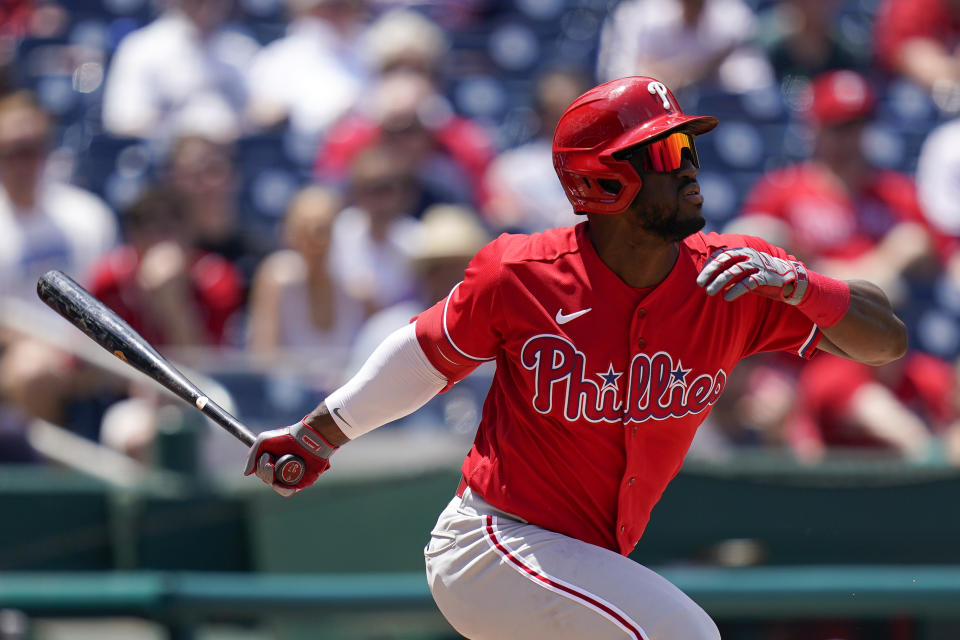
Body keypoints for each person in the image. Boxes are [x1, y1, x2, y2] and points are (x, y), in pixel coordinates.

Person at [243, 76, 907, 639]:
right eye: (668, 150)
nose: (691, 165)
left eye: (690, 145)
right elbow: (424, 357)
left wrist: (801, 284)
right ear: (606, 183)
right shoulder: (521, 274)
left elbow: (886, 340)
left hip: (582, 562)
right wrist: (318, 435)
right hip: (494, 543)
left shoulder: (734, 278)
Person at [100, 0, 260, 141]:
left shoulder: (242, 48)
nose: (207, 6)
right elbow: (122, 122)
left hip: (235, 160)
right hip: (165, 163)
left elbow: (261, 114)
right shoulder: (141, 49)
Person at [246, 184, 365, 368]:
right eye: (304, 229)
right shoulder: (275, 279)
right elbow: (264, 361)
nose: (314, 239)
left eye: (322, 229)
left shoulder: (358, 291)